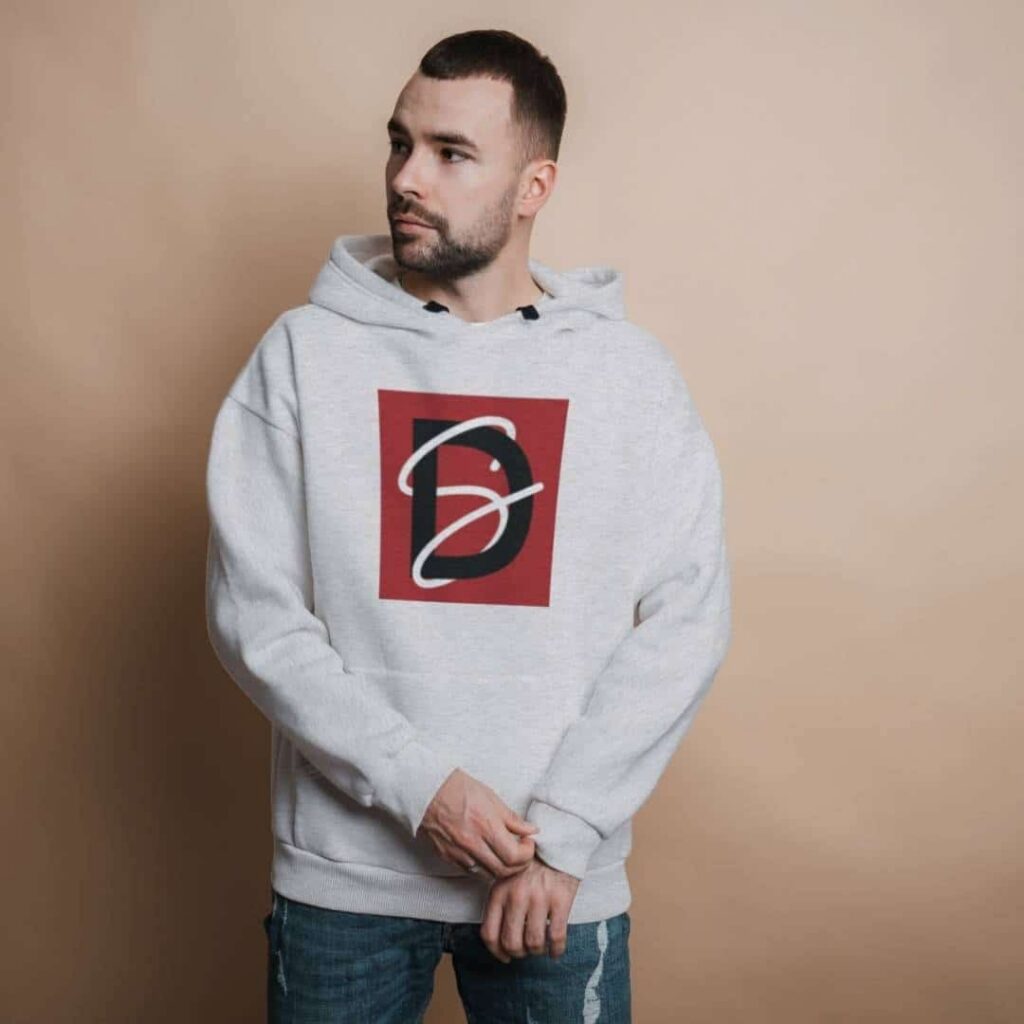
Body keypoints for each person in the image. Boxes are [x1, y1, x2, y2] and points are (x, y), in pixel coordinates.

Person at [204, 27, 732, 1024]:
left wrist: (568, 828)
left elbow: (687, 617)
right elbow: (256, 617)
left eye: (450, 154)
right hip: (344, 885)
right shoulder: (304, 357)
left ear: (534, 186)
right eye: (399, 143)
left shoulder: (627, 378)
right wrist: (422, 787)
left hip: (552, 884)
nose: (407, 176)